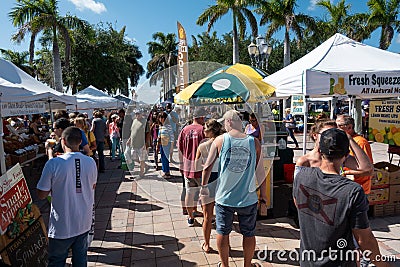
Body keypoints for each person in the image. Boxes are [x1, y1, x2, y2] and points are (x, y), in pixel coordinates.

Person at [293, 128, 388, 267]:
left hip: (307, 261)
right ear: (346, 155)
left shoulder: (302, 176)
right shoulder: (352, 191)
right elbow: (364, 240)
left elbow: (299, 205)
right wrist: (383, 265)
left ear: (320, 151)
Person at [200, 110, 267, 267]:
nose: (224, 124)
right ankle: (247, 264)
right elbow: (261, 172)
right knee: (249, 234)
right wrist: (263, 196)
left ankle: (224, 265)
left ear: (229, 122)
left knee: (223, 232)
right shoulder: (254, 142)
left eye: (224, 122)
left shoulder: (219, 141)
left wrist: (204, 187)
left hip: (224, 197)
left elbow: (207, 167)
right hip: (248, 198)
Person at [37, 126, 97, 266]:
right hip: (83, 221)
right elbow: (92, 186)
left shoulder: (53, 163)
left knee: (57, 261)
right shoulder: (91, 161)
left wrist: (49, 154)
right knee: (81, 259)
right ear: (81, 141)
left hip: (62, 225)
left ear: (63, 141)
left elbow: (41, 194)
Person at [195, 119, 224, 253]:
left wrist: (205, 165)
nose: (203, 131)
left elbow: (196, 166)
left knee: (207, 216)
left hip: (208, 180)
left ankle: (206, 244)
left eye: (205, 129)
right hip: (223, 180)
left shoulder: (202, 147)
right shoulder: (225, 143)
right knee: (223, 216)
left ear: (211, 131)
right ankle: (225, 244)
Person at [178, 107, 206, 227]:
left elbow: (179, 149)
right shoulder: (203, 130)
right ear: (201, 117)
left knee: (190, 193)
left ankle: (191, 217)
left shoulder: (184, 130)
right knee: (203, 194)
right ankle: (207, 216)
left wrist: (181, 164)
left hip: (187, 167)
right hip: (201, 168)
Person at [336, 115, 373, 195]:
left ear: (349, 127)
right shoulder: (341, 140)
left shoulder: (360, 142)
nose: (336, 128)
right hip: (346, 186)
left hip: (359, 188)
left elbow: (368, 169)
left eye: (339, 125)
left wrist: (346, 173)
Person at [127, 110, 148, 177]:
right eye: (136, 114)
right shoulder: (134, 121)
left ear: (141, 114)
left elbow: (148, 133)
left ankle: (141, 173)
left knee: (141, 159)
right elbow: (132, 131)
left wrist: (146, 143)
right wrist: (129, 139)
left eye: (138, 114)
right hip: (133, 144)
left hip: (141, 144)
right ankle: (146, 165)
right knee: (134, 158)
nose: (137, 115)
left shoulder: (145, 122)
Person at [158, 111, 174, 178]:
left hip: (167, 144)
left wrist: (172, 147)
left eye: (162, 117)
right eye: (160, 117)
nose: (161, 119)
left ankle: (167, 172)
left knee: (166, 159)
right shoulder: (161, 126)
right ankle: (165, 171)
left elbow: (172, 137)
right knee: (163, 158)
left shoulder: (168, 126)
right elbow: (159, 136)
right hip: (162, 144)